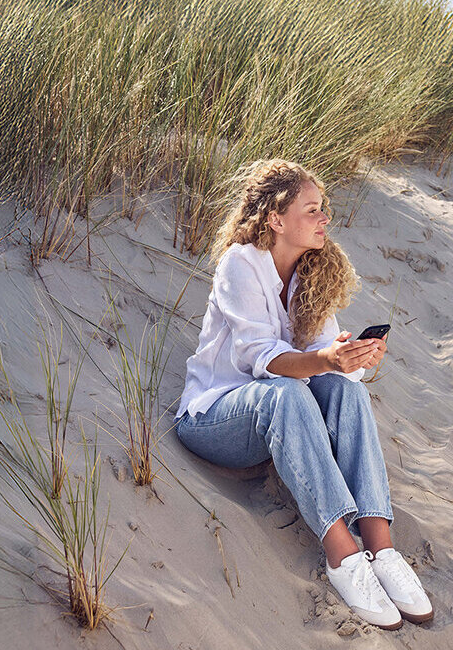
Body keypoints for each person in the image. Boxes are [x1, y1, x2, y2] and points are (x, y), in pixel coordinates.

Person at [176, 159, 432, 630]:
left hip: (277, 420)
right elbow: (262, 358)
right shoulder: (241, 263)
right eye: (312, 210)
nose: (324, 219)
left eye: (323, 210)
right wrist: (324, 361)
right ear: (276, 219)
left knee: (347, 392)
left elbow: (320, 356)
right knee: (287, 392)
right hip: (213, 421)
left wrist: (346, 356)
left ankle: (380, 544)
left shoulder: (311, 270)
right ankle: (342, 553)